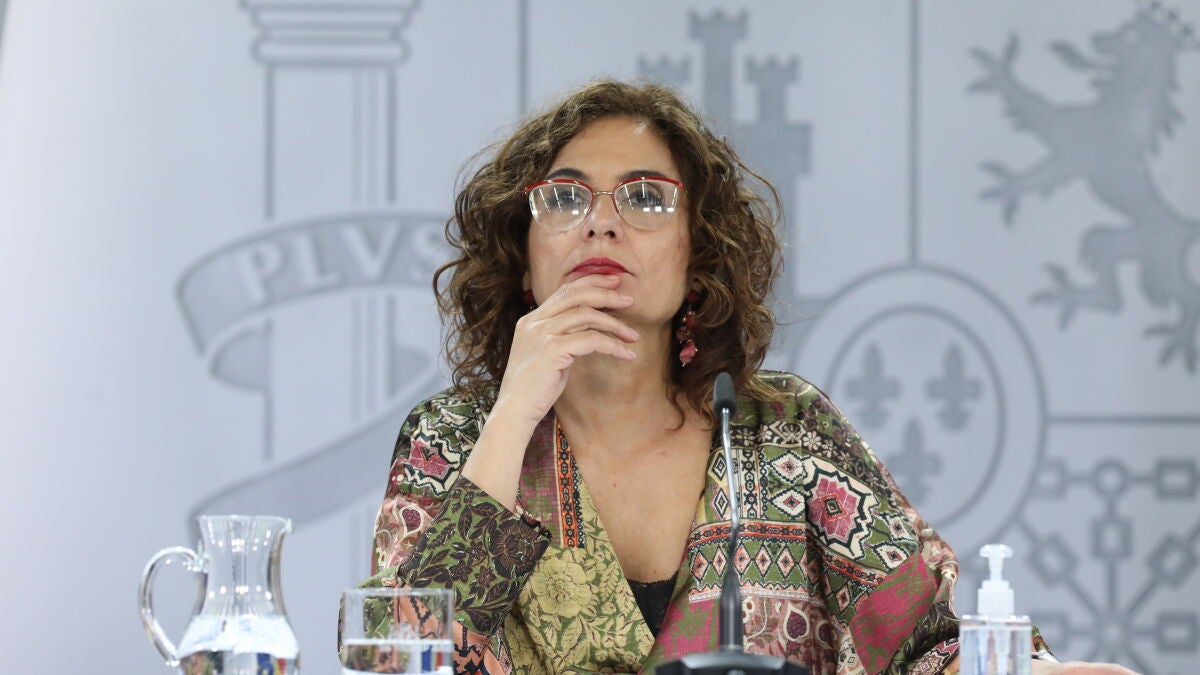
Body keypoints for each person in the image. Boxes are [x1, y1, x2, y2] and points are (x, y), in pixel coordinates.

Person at [355, 80, 1137, 675]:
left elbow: (924, 643)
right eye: (564, 197)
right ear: (524, 261)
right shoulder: (453, 437)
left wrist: (1037, 671)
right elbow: (393, 657)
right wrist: (511, 415)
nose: (602, 220)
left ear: (696, 257)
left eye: (646, 197)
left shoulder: (786, 430)